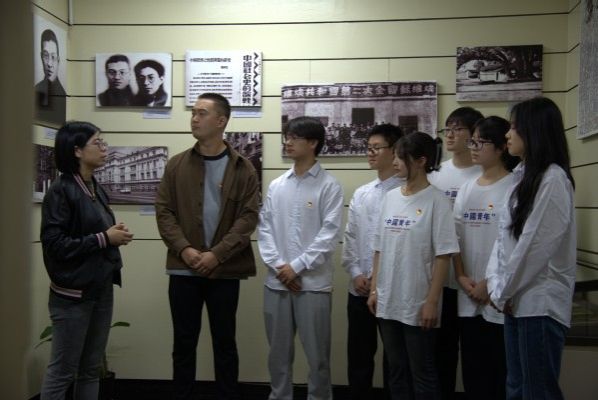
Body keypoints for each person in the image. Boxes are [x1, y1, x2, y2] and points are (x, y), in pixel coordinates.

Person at [155, 93, 259, 400]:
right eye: (193, 113)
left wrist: (217, 254)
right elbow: (164, 212)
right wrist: (185, 249)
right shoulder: (176, 165)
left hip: (224, 270)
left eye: (202, 113)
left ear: (221, 121)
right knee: (183, 343)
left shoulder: (243, 168)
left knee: (225, 342)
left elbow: (248, 218)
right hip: (183, 269)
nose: (194, 118)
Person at [486, 97, 576, 400]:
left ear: (534, 130)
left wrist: (503, 291)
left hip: (538, 303)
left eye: (514, 127)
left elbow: (534, 247)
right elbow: (503, 240)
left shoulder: (552, 179)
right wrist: (498, 287)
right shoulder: (521, 176)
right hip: (516, 299)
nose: (507, 134)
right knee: (516, 387)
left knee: (538, 391)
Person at [40, 121, 134, 399]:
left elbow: (92, 232)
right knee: (62, 372)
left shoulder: (94, 186)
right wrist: (105, 238)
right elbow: (55, 245)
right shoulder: (61, 190)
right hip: (73, 296)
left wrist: (112, 234)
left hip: (100, 288)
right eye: (98, 143)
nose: (104, 148)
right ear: (77, 150)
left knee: (91, 369)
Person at [368, 131, 459, 400]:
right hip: (388, 300)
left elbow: (444, 255)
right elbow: (379, 247)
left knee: (422, 371)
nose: (395, 162)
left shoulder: (438, 201)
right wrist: (374, 289)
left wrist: (432, 301)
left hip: (418, 301)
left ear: (421, 161)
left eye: (401, 157)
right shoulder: (391, 197)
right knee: (396, 369)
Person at [258, 116, 344, 400]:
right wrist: (280, 268)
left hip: (313, 284)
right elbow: (265, 229)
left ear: (313, 143)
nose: (288, 142)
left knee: (317, 356)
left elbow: (329, 235)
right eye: (287, 136)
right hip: (277, 283)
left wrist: (295, 267)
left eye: (295, 137)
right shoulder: (277, 185)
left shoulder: (329, 186)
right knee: (277, 354)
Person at [452, 116, 519, 400]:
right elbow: (454, 237)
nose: (474, 148)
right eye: (473, 142)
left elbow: (515, 246)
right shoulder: (467, 188)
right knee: (473, 370)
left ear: (502, 147)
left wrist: (489, 284)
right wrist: (461, 276)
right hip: (468, 292)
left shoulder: (515, 186)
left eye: (481, 142)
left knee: (500, 371)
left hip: (499, 295)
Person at [342, 123, 404, 400]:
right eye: (368, 147)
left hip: (392, 290)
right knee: (359, 357)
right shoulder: (362, 193)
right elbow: (351, 236)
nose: (370, 152)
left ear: (396, 151)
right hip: (359, 287)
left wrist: (380, 281)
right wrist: (356, 273)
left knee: (395, 360)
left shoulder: (407, 193)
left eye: (377, 148)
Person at [428, 107, 483, 400]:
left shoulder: (485, 172)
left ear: (474, 134)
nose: (449, 135)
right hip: (443, 279)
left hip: (476, 279)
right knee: (442, 353)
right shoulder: (436, 175)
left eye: (457, 129)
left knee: (478, 357)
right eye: (447, 129)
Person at [35, 29, 66, 125]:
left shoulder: (63, 96)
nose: (49, 63)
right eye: (45, 56)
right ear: (41, 57)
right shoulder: (35, 90)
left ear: (58, 60)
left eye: (53, 57)